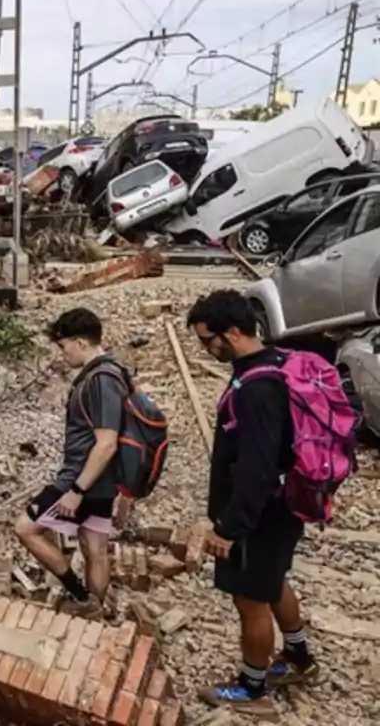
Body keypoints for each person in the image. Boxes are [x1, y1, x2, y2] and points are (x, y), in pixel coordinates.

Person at [186, 290, 318, 715]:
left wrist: (229, 527)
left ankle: (253, 688)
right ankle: (298, 658)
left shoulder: (256, 390)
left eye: (209, 340)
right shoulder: (274, 363)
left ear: (235, 332)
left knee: (250, 599)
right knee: (272, 579)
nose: (206, 349)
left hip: (262, 514)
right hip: (283, 505)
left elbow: (256, 469)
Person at [13, 308, 123, 619]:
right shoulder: (115, 371)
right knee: (94, 549)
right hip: (103, 481)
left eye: (63, 346)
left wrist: (76, 490)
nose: (61, 354)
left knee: (25, 528)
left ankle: (79, 594)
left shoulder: (100, 380)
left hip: (81, 479)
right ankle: (96, 616)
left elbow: (107, 443)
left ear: (81, 343)